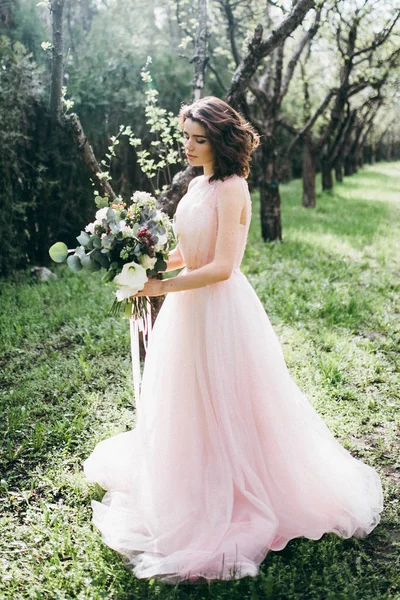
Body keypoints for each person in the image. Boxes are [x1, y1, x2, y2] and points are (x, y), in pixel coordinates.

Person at [83, 96, 383, 584]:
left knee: (228, 399)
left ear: (221, 140)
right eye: (185, 136)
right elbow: (189, 250)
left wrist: (162, 287)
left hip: (219, 310)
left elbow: (223, 267)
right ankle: (192, 479)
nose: (188, 146)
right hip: (187, 308)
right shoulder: (199, 185)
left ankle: (242, 491)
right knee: (188, 400)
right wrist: (146, 268)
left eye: (198, 139)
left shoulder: (232, 189)